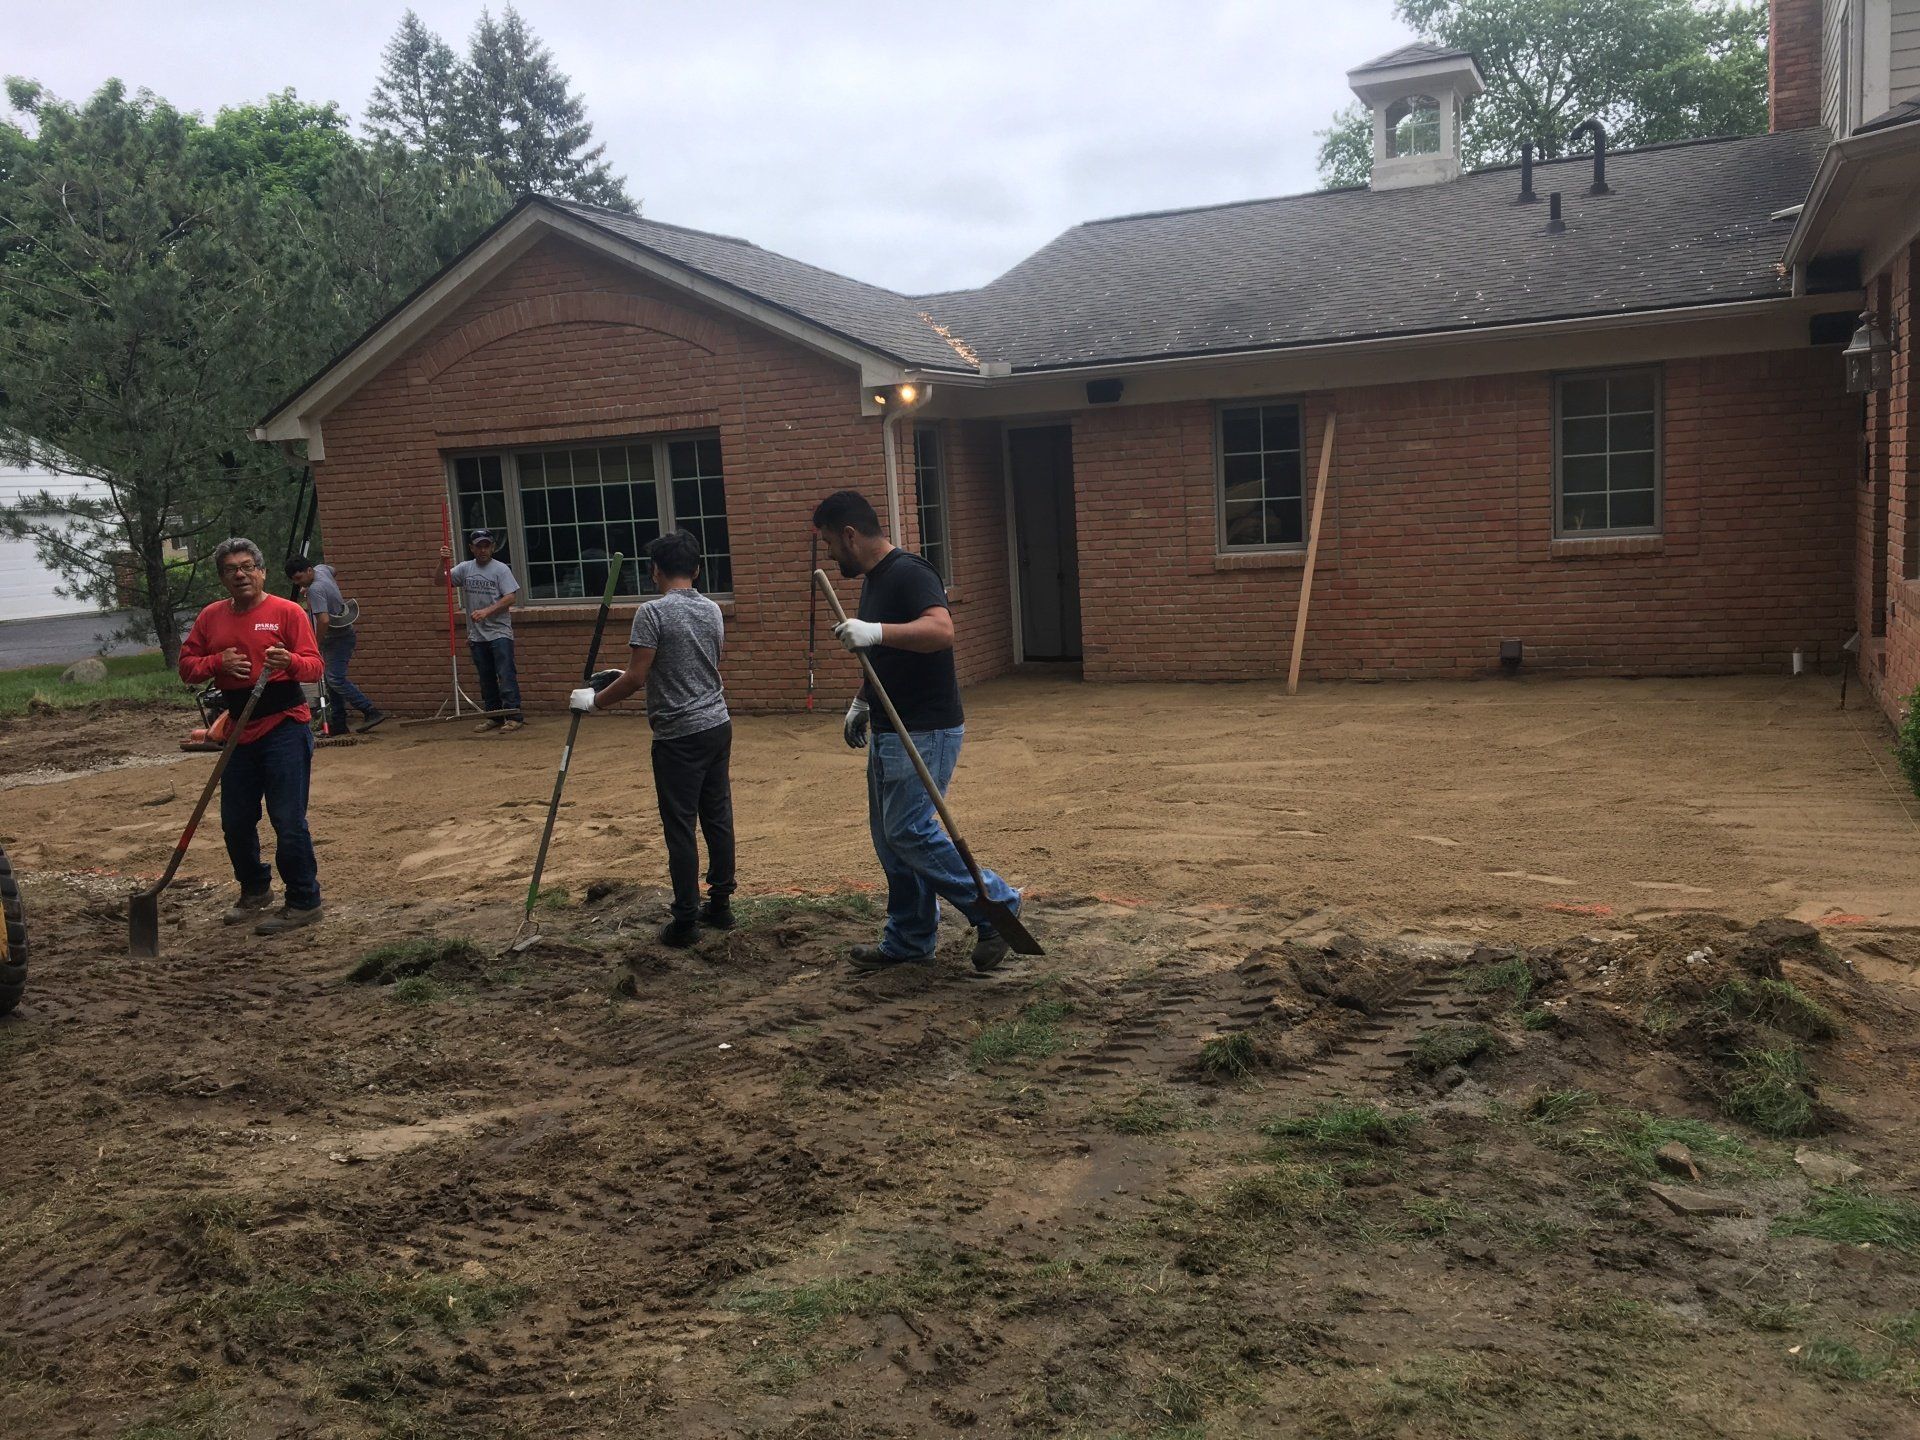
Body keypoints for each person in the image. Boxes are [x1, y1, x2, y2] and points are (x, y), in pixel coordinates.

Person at [811, 489, 1024, 973]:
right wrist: (861, 702)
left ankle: (997, 903)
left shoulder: (910, 572)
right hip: (891, 724)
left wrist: (877, 630)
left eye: (829, 543)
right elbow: (883, 656)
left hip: (926, 728)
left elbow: (941, 631)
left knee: (909, 831)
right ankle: (909, 938)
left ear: (850, 535)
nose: (828, 554)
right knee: (890, 841)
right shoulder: (873, 580)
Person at [571, 530, 735, 947]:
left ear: (655, 571)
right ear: (696, 570)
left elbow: (638, 676)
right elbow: (686, 662)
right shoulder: (713, 609)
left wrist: (594, 703)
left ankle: (684, 921)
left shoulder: (652, 612)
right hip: (716, 723)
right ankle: (720, 905)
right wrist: (617, 677)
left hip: (678, 734)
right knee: (716, 816)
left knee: (680, 826)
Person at [177, 537, 327, 934]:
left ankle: (303, 901)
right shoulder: (211, 617)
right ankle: (255, 890)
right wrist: (216, 661)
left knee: (287, 820)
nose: (240, 574)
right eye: (231, 569)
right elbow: (188, 667)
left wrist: (290, 661)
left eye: (247, 566)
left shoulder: (287, 612)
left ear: (261, 571)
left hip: (283, 725)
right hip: (238, 730)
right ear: (223, 578)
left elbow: (314, 667)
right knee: (236, 821)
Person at [286, 557, 386, 735]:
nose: (298, 583)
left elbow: (323, 620)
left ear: (309, 570)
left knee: (334, 679)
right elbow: (334, 570)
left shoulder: (315, 589)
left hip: (335, 638)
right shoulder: (322, 569)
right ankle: (339, 723)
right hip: (345, 631)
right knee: (331, 681)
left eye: (299, 578)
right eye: (294, 580)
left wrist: (315, 644)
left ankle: (370, 711)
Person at [446, 529, 524, 732]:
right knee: (486, 678)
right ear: (471, 548)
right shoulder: (465, 569)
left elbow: (510, 597)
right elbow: (441, 581)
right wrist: (442, 561)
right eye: (478, 546)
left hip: (500, 633)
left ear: (493, 547)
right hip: (477, 635)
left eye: (486, 545)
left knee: (505, 674)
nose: (483, 550)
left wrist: (487, 612)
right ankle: (493, 716)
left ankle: (513, 716)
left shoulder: (500, 570)